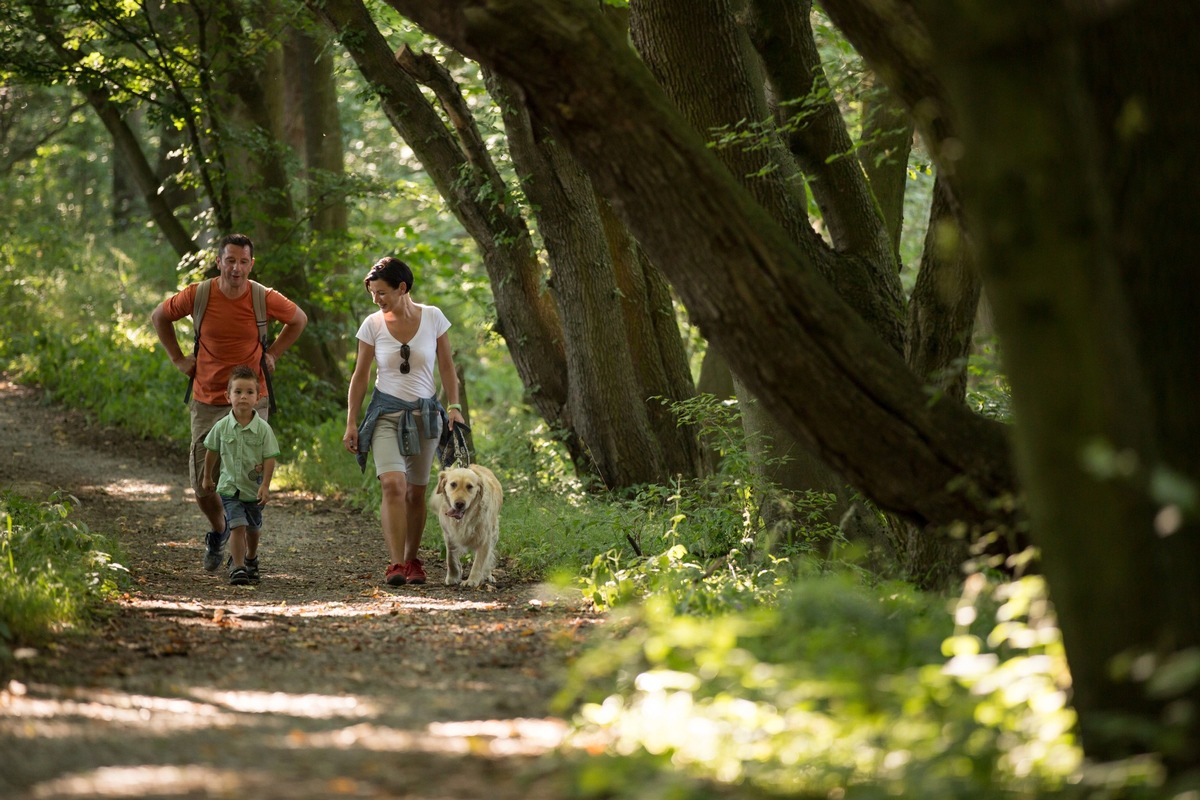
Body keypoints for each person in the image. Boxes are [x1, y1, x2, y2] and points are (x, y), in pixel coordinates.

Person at [151, 233, 307, 573]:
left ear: (252, 264)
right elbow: (159, 317)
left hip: (253, 397)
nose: (236, 268)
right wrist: (178, 358)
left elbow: (299, 320)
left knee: (248, 481)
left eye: (243, 262)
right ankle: (220, 528)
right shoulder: (199, 294)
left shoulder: (262, 296)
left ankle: (247, 558)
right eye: (230, 260)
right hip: (207, 397)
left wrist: (274, 354)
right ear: (219, 261)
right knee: (202, 485)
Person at [344, 256, 464, 587]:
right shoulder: (372, 324)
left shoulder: (434, 318)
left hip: (425, 416)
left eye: (381, 293)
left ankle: (413, 559)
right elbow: (360, 376)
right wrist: (352, 421)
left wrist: (453, 406)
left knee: (416, 492)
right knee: (393, 484)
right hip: (385, 415)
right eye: (372, 293)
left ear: (402, 288)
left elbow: (447, 367)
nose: (376, 300)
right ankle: (395, 563)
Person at [201, 365, 279, 585]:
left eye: (249, 392)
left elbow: (270, 457)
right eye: (238, 392)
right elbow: (211, 452)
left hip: (253, 490)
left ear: (258, 397)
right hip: (229, 487)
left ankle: (251, 558)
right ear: (228, 396)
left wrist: (265, 485)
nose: (243, 396)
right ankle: (238, 567)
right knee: (237, 525)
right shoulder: (222, 427)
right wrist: (207, 477)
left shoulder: (263, 429)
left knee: (253, 530)